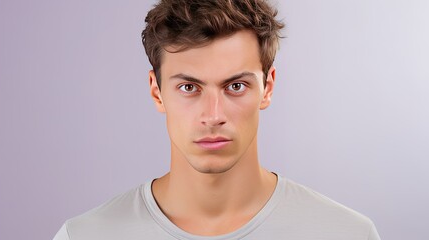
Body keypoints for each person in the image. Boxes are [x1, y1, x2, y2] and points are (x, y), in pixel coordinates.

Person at [53, 0, 381, 239]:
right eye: (189, 87)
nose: (213, 115)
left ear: (267, 88)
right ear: (157, 92)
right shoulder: (84, 235)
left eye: (235, 86)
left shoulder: (347, 234)